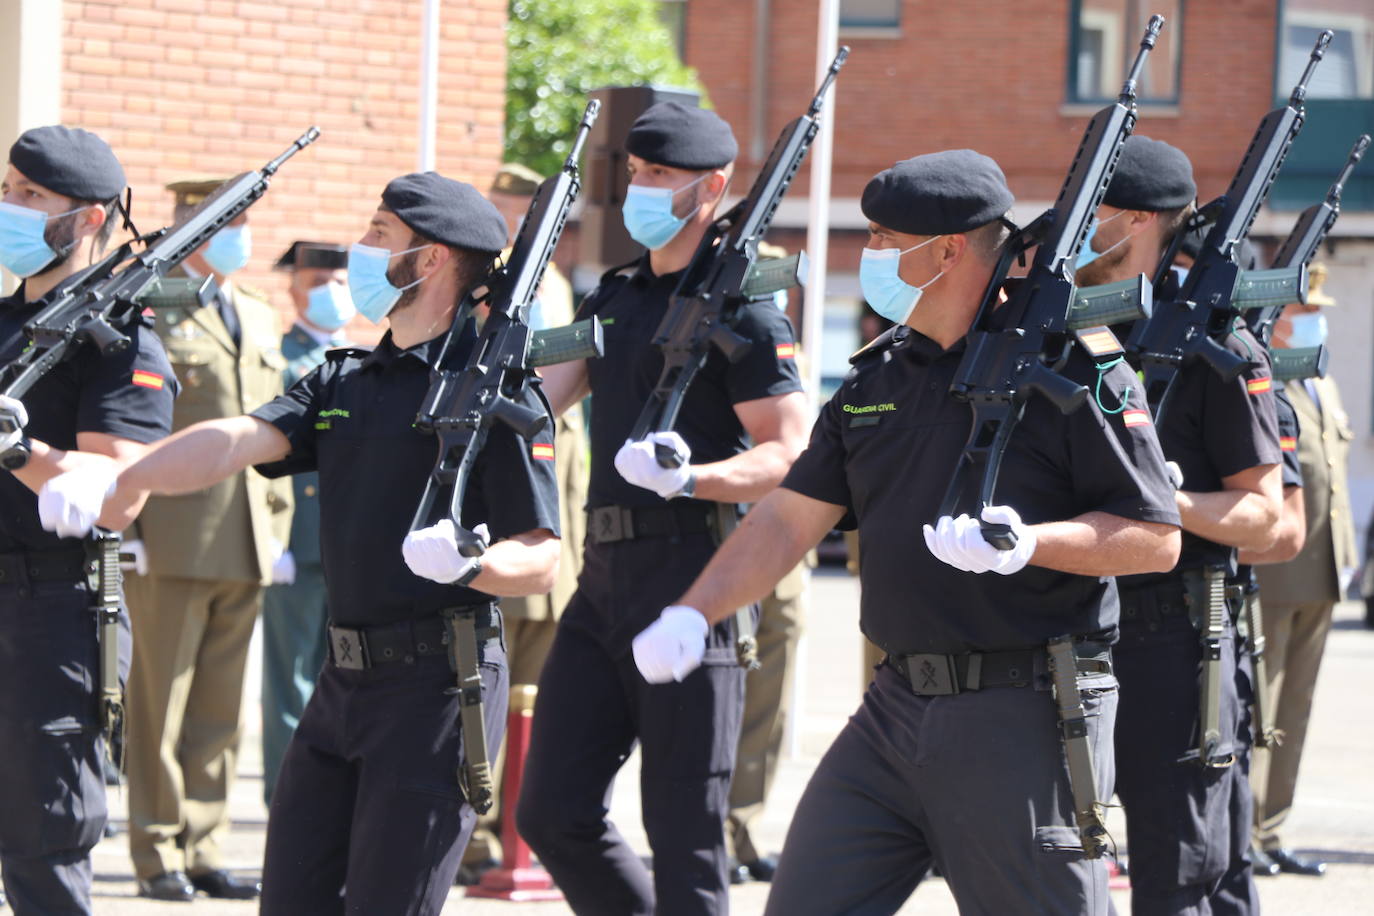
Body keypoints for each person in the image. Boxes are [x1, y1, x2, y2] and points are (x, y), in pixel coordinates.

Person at [632, 149, 1182, 914]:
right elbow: (790, 516)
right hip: (894, 711)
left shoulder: (1074, 368)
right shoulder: (878, 377)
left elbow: (1154, 536)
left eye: (887, 240)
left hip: (1023, 709)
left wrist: (1031, 542)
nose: (872, 257)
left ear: (951, 248)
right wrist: (696, 610)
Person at [35, 171, 562, 915]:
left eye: (380, 234)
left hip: (440, 686)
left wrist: (474, 563)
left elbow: (541, 557)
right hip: (342, 681)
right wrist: (113, 480)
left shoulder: (499, 395)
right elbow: (234, 440)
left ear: (432, 259)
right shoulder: (347, 378)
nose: (362, 248)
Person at [516, 101, 810, 914]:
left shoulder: (746, 307)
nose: (640, 190)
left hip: (697, 578)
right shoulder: (611, 297)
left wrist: (694, 477)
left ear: (712, 187)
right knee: (552, 813)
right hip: (601, 578)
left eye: (661, 177)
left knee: (685, 834)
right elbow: (537, 400)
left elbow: (790, 453)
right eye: (637, 174)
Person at [1076, 135, 1283, 914]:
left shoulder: (1218, 349)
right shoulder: (1071, 336)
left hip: (1175, 636)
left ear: (1132, 222)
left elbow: (1263, 515)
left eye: (1089, 213)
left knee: (1180, 871)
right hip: (1068, 624)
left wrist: (1169, 501)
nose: (1074, 229)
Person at [0, 125, 176, 916]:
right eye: (7, 190)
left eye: (31, 197)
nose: (10, 206)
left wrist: (17, 448)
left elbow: (118, 489)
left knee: (45, 845)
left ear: (91, 217)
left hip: (52, 613)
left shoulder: (121, 338)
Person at [113, 177, 292, 901]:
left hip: (247, 539)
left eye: (248, 221)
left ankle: (206, 842)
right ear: (193, 223)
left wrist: (277, 524)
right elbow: (139, 421)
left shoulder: (255, 310)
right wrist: (134, 526)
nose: (242, 234)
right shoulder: (147, 302)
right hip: (173, 537)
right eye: (230, 221)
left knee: (220, 708)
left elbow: (272, 424)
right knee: (161, 704)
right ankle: (157, 852)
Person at [460, 163, 588, 881]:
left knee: (532, 701)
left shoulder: (561, 291)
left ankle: (515, 838)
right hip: (500, 526)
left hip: (552, 525)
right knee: (480, 695)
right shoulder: (485, 295)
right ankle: (472, 835)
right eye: (512, 211)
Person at [1250, 262, 1356, 877]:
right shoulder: (1268, 386)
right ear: (1279, 317)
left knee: (1296, 707)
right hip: (1275, 573)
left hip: (1323, 572)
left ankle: (1270, 832)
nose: (1315, 323)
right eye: (1305, 311)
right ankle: (1244, 831)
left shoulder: (1324, 385)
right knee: (1259, 711)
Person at [259, 240, 354, 805]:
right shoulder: (278, 358)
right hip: (297, 546)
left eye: (340, 282)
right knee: (291, 683)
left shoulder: (365, 358)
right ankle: (288, 801)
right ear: (294, 288)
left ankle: (334, 800)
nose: (333, 294)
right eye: (319, 282)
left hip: (349, 549)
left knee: (344, 682)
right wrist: (273, 541)